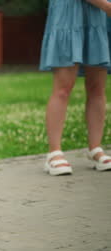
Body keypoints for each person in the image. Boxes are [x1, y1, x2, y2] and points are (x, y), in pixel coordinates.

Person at [40, 0, 111, 176]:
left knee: (97, 88)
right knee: (63, 88)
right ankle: (54, 153)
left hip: (98, 17)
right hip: (68, 14)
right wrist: (106, 5)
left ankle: (95, 149)